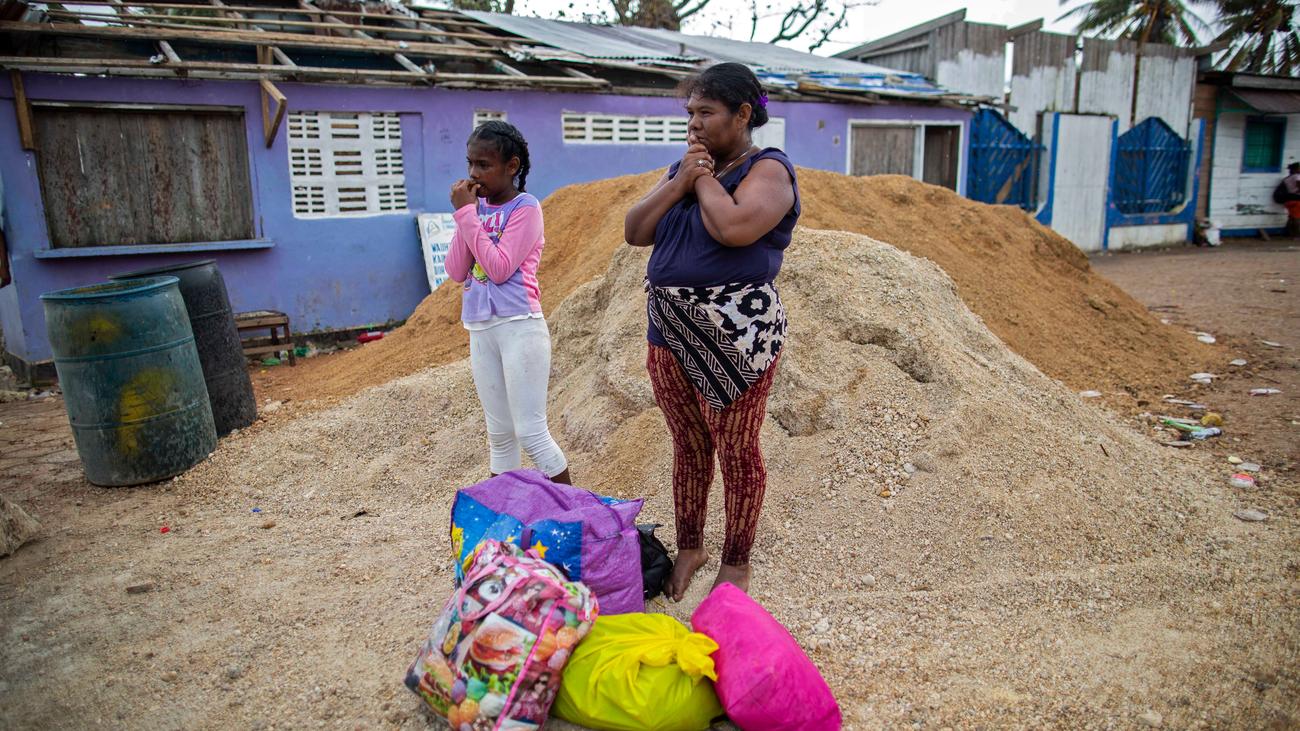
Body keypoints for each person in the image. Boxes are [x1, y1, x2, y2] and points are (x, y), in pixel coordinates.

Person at [623, 62, 799, 600]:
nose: (694, 124)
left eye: (706, 112)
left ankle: (737, 561)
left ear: (743, 114)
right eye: (689, 113)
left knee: (737, 448)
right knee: (689, 444)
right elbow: (635, 231)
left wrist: (698, 180)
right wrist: (680, 181)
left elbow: (734, 226)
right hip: (669, 330)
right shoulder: (686, 169)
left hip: (734, 336)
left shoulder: (768, 170)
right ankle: (691, 546)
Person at [445, 121, 571, 485]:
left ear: (512, 166)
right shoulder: (476, 208)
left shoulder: (526, 208)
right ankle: (506, 524)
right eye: (470, 164)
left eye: (484, 165)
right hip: (481, 329)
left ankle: (573, 516)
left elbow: (499, 269)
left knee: (531, 432)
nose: (474, 174)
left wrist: (468, 216)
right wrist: (466, 215)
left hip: (520, 327)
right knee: (499, 437)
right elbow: (456, 271)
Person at [1283, 162, 1300, 237]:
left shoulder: (1287, 179)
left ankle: (1290, 233)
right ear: (1297, 169)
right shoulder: (1297, 176)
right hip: (1297, 199)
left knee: (1292, 217)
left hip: (1290, 199)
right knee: (1297, 217)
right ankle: (1297, 235)